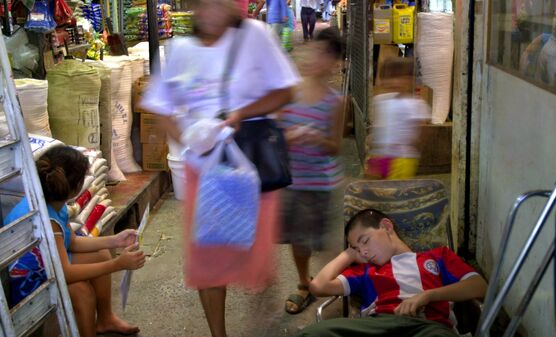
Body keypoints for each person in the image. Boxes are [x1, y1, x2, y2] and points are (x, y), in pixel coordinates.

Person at [139, 1, 299, 336]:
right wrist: (187, 140)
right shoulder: (180, 49)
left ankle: (263, 319)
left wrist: (240, 114)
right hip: (206, 173)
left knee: (254, 255)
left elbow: (285, 91)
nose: (212, 11)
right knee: (208, 257)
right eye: (204, 3)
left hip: (252, 167)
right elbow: (160, 105)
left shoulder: (254, 35)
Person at [4, 146, 146, 337]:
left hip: (48, 266)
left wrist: (115, 240)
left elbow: (73, 243)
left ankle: (105, 319)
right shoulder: (46, 219)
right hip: (29, 280)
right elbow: (66, 273)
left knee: (102, 254)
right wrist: (117, 264)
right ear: (77, 186)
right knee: (82, 292)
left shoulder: (54, 203)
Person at [296, 209, 487, 337]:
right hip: (378, 325)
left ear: (387, 227)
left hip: (428, 326)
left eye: (365, 241)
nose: (363, 252)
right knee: (313, 333)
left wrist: (427, 296)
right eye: (357, 248)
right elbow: (318, 286)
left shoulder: (437, 257)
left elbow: (480, 287)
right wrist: (348, 254)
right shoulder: (366, 271)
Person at [278, 27, 345, 314]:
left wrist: (317, 138)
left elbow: (334, 146)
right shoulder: (289, 93)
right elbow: (274, 131)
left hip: (321, 183)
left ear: (333, 63)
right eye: (311, 51)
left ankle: (335, 286)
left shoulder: (335, 102)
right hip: (291, 180)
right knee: (298, 239)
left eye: (322, 55)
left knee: (324, 241)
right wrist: (286, 136)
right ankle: (304, 284)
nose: (313, 58)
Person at [366, 57, 430, 180]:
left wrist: (413, 145)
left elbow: (423, 129)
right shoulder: (380, 100)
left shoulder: (415, 104)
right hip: (380, 154)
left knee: (396, 192)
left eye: (399, 77)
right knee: (376, 190)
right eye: (389, 77)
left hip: (402, 158)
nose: (394, 81)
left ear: (410, 79)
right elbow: (378, 128)